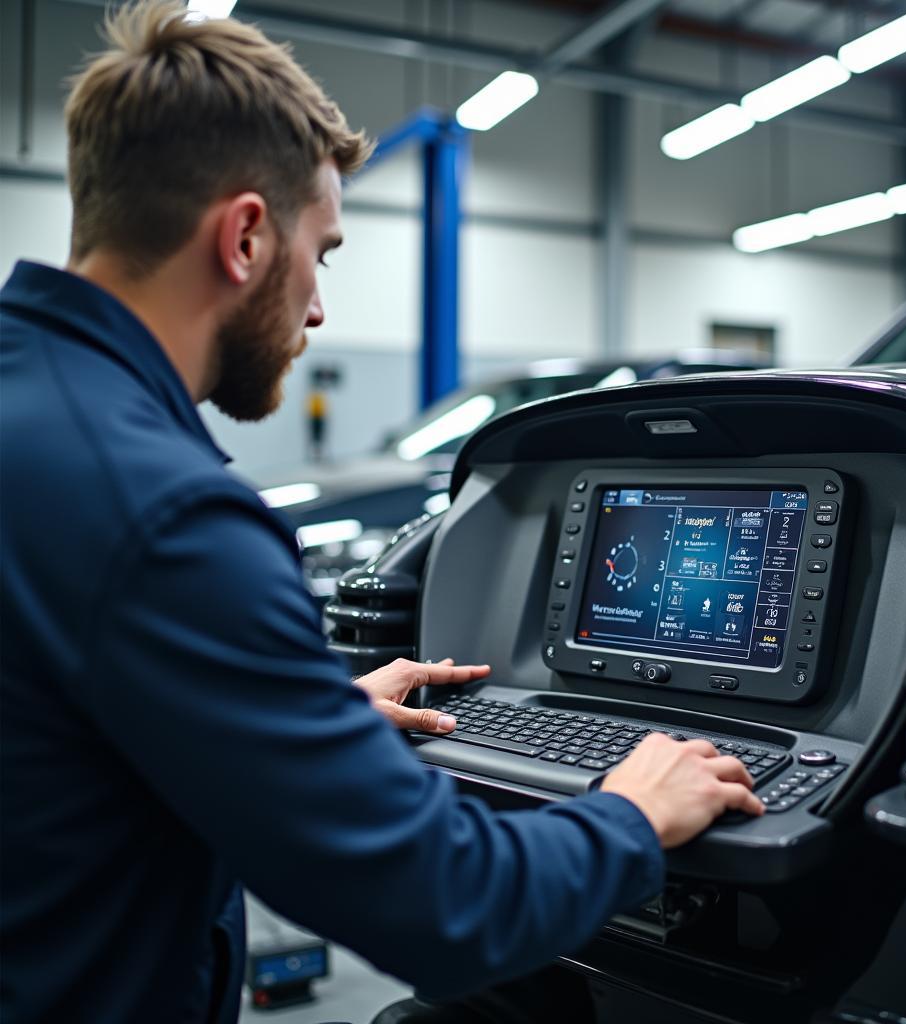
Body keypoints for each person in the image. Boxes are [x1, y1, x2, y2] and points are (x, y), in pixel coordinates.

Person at [0, 4, 763, 1022]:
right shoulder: (172, 518)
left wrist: (297, 727)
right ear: (244, 237)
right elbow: (446, 908)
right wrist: (633, 811)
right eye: (325, 251)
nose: (316, 308)